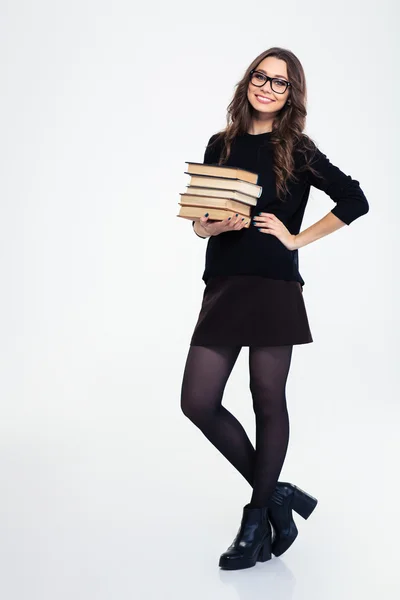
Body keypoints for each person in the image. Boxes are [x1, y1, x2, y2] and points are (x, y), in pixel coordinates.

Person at [180, 47, 369, 571]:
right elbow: (199, 220)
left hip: (274, 286)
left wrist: (297, 238)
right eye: (260, 77)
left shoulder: (297, 147)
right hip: (223, 281)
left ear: (291, 94)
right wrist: (211, 227)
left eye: (279, 82)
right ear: (247, 83)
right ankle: (279, 495)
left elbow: (355, 199)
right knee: (198, 400)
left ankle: (256, 517)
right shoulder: (221, 144)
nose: (267, 86)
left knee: (267, 396)